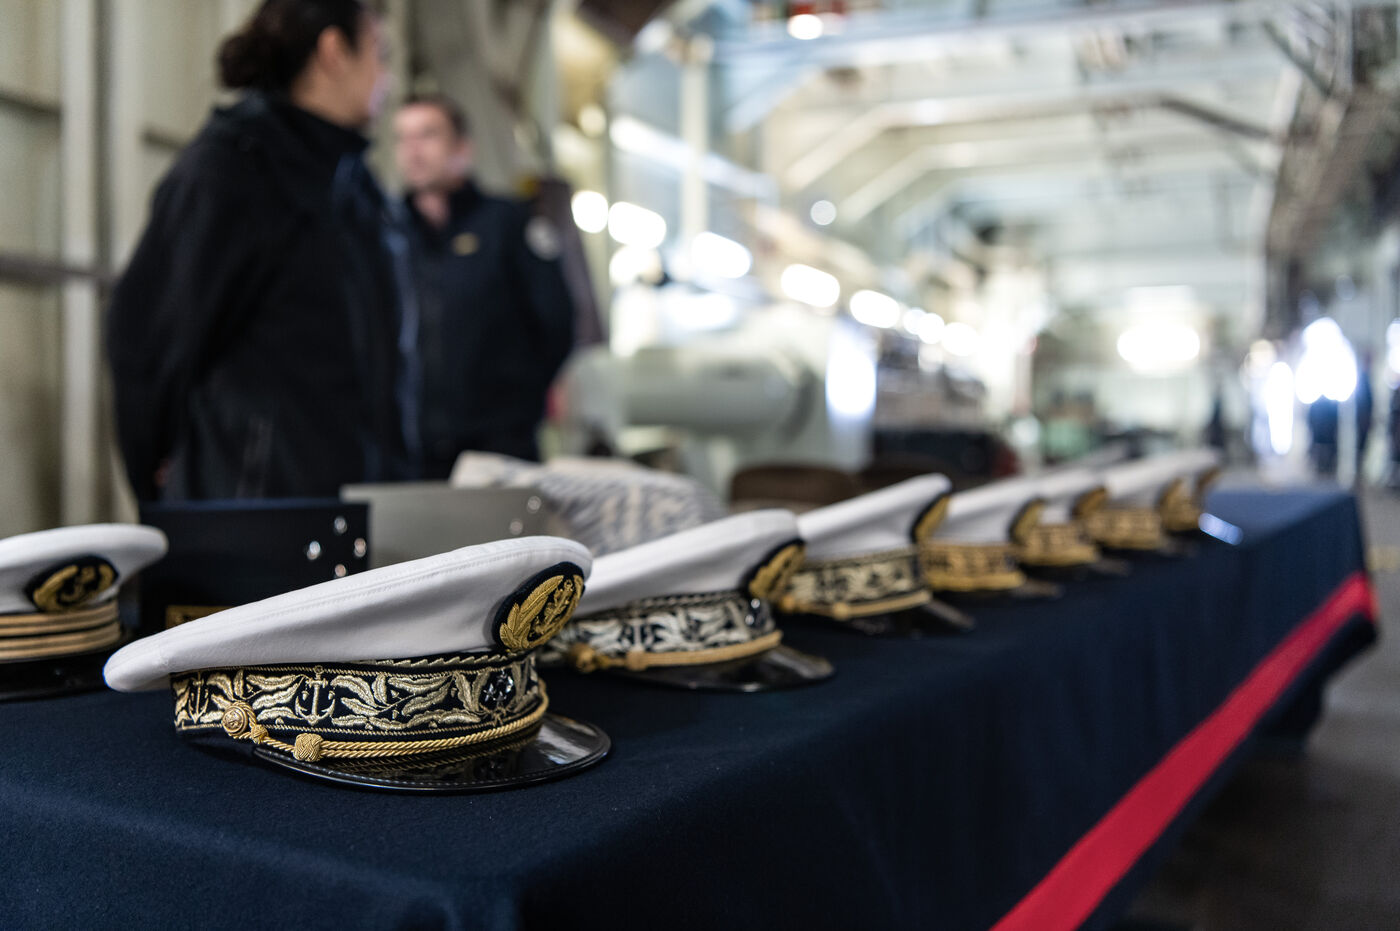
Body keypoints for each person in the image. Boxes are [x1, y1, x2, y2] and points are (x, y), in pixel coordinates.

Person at [107, 0, 418, 501]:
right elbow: (147, 340)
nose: (387, 78)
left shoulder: (358, 188)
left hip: (362, 510)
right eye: (379, 53)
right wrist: (158, 484)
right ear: (333, 52)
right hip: (256, 517)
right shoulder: (233, 170)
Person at [393, 93, 575, 474]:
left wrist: (516, 404)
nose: (414, 150)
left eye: (427, 135)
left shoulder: (509, 224)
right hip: (413, 452)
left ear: (462, 147)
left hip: (501, 446)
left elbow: (557, 321)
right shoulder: (389, 234)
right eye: (403, 138)